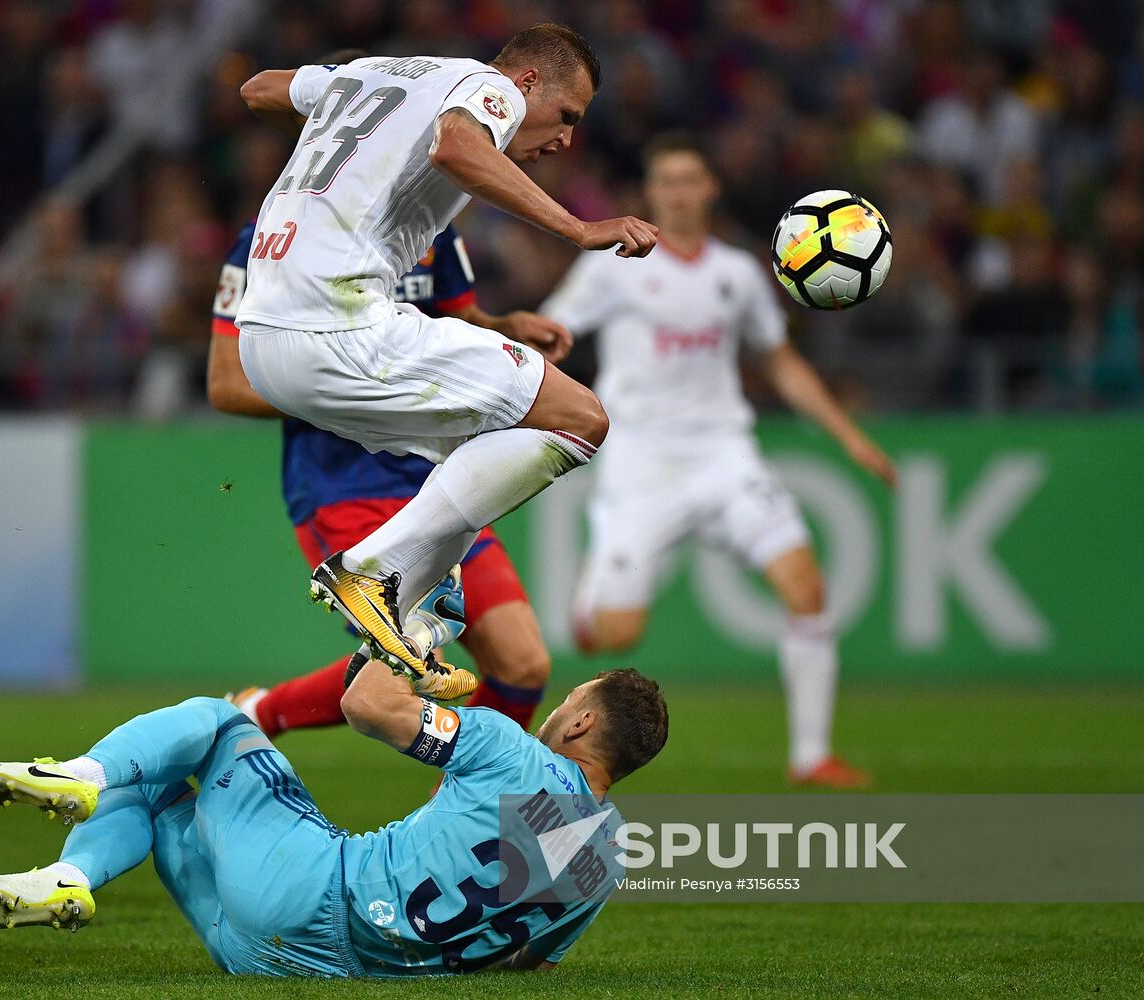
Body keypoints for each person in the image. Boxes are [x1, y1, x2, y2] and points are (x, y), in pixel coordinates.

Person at [234, 24, 658, 688]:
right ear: (526, 84)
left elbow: (259, 90)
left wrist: (345, 106)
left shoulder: (375, 73)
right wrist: (579, 227)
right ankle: (373, 571)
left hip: (264, 342)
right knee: (579, 418)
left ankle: (423, 606)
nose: (565, 139)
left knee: (484, 439)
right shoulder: (489, 87)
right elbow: (456, 146)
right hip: (337, 322)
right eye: (566, 116)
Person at [541, 132, 894, 788]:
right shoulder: (612, 266)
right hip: (642, 464)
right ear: (649, 194)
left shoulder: (737, 275)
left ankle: (810, 756)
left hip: (724, 457)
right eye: (666, 181)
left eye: (690, 180)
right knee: (616, 635)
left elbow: (778, 360)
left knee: (807, 589)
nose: (678, 192)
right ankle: (593, 600)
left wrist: (849, 435)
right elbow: (553, 332)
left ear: (710, 189)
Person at [0, 663, 669, 977]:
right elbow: (524, 965)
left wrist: (405, 643)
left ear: (579, 722)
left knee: (217, 722)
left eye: (568, 701)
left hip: (309, 892)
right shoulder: (607, 860)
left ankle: (83, 775)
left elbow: (365, 706)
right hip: (281, 960)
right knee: (156, 778)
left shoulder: (509, 748)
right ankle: (64, 878)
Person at [209, 216, 569, 732]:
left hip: (436, 479)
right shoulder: (274, 238)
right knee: (404, 666)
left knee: (523, 665)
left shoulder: (431, 224)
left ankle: (457, 808)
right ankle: (255, 716)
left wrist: (506, 327)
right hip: (343, 485)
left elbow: (461, 318)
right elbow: (226, 384)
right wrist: (365, 396)